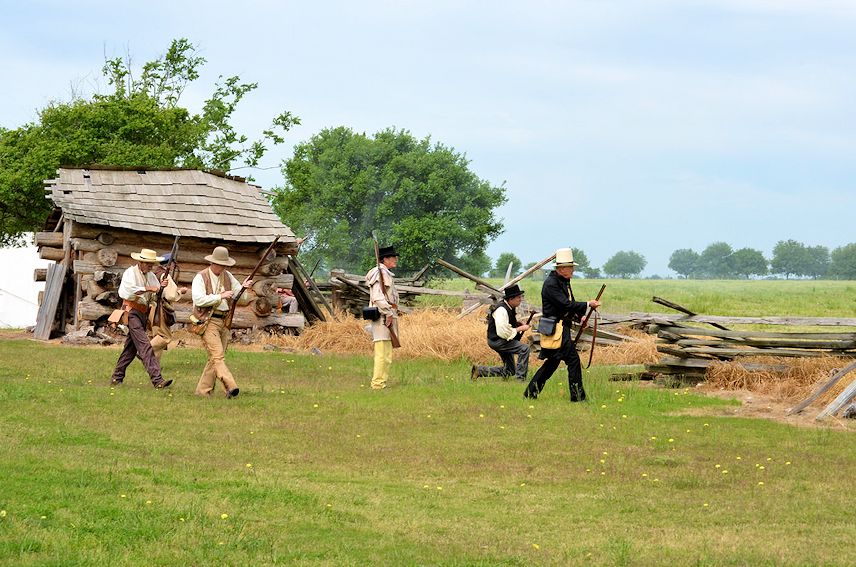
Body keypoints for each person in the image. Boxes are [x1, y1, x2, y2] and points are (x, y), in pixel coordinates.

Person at [524, 248, 601, 401]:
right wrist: (587, 304)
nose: (573, 271)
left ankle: (530, 392)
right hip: (556, 328)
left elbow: (567, 305)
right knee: (573, 360)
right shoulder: (551, 284)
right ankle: (578, 397)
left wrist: (580, 317)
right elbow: (564, 304)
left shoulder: (563, 282)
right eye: (571, 268)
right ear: (561, 269)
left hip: (559, 327)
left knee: (552, 363)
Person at [191, 246, 254, 399]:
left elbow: (242, 298)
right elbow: (198, 299)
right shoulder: (201, 277)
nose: (223, 267)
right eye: (220, 264)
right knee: (218, 356)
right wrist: (220, 296)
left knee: (215, 357)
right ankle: (230, 386)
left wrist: (244, 288)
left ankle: (202, 391)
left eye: (224, 264)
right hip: (207, 320)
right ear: (213, 263)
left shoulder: (228, 276)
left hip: (223, 320)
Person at [110, 248, 173, 389]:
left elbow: (158, 294)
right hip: (131, 312)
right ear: (140, 262)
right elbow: (131, 291)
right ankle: (157, 380)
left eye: (152, 263)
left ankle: (116, 378)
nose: (151, 266)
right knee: (145, 346)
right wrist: (151, 288)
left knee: (130, 350)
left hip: (143, 314)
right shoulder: (130, 273)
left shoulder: (150, 276)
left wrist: (161, 287)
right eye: (148, 263)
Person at [471, 284, 532, 381]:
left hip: (501, 340)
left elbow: (507, 324)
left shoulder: (509, 307)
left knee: (510, 370)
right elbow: (503, 332)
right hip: (498, 340)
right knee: (524, 349)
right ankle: (520, 379)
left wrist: (517, 324)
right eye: (518, 297)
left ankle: (479, 371)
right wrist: (520, 329)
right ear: (511, 299)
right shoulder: (501, 310)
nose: (520, 299)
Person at [366, 245, 400, 390]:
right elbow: (378, 297)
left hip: (386, 315)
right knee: (381, 353)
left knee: (386, 353)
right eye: (393, 257)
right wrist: (388, 313)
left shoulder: (384, 272)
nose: (395, 260)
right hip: (382, 317)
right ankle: (377, 384)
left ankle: (381, 382)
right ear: (385, 259)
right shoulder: (379, 273)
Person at [149, 253, 187, 360]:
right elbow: (171, 295)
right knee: (164, 337)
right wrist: (180, 292)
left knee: (156, 337)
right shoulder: (165, 276)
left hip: (152, 308)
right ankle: (144, 350)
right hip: (160, 309)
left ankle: (154, 367)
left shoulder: (154, 274)